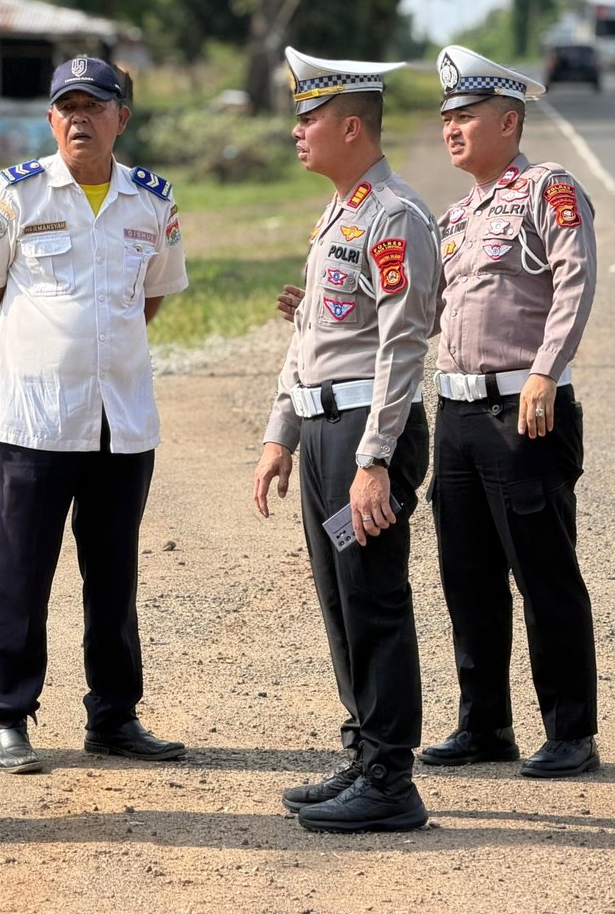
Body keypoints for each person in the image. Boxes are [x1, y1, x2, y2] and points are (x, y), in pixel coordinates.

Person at [0, 55, 189, 774]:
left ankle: (114, 716)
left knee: (113, 575)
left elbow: (149, 299)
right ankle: (7, 716)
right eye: (67, 107)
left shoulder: (152, 201)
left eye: (96, 106)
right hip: (35, 421)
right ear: (51, 118)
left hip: (120, 420)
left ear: (123, 117)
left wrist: (94, 349)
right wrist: (40, 354)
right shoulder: (15, 195)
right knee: (21, 572)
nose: (80, 119)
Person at [253, 46, 441, 834]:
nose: (298, 132)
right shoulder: (340, 213)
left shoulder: (395, 217)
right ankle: (364, 752)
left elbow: (401, 348)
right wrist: (280, 436)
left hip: (370, 438)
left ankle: (393, 779)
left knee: (373, 598)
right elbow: (313, 338)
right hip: (327, 432)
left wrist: (373, 463)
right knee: (341, 600)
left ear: (352, 126)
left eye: (311, 118)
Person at [416, 43, 600, 779]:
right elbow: (425, 313)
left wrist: (546, 375)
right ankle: (483, 724)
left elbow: (575, 279)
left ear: (509, 121)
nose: (451, 128)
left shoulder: (548, 189)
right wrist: (331, 319)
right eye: (446, 118)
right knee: (467, 576)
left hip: (524, 412)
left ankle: (571, 733)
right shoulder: (455, 218)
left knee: (544, 573)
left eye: (465, 115)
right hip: (457, 416)